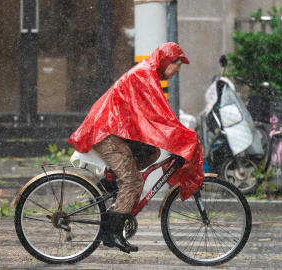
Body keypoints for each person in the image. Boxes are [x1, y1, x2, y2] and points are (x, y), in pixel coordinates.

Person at [68, 42, 204, 254]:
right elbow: (161, 117)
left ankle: (110, 185)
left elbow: (155, 116)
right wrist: (183, 137)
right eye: (177, 64)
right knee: (133, 181)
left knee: (152, 152)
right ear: (167, 61)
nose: (178, 70)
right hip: (106, 132)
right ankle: (112, 233)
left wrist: (179, 135)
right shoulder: (145, 75)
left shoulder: (148, 74)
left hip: (112, 129)